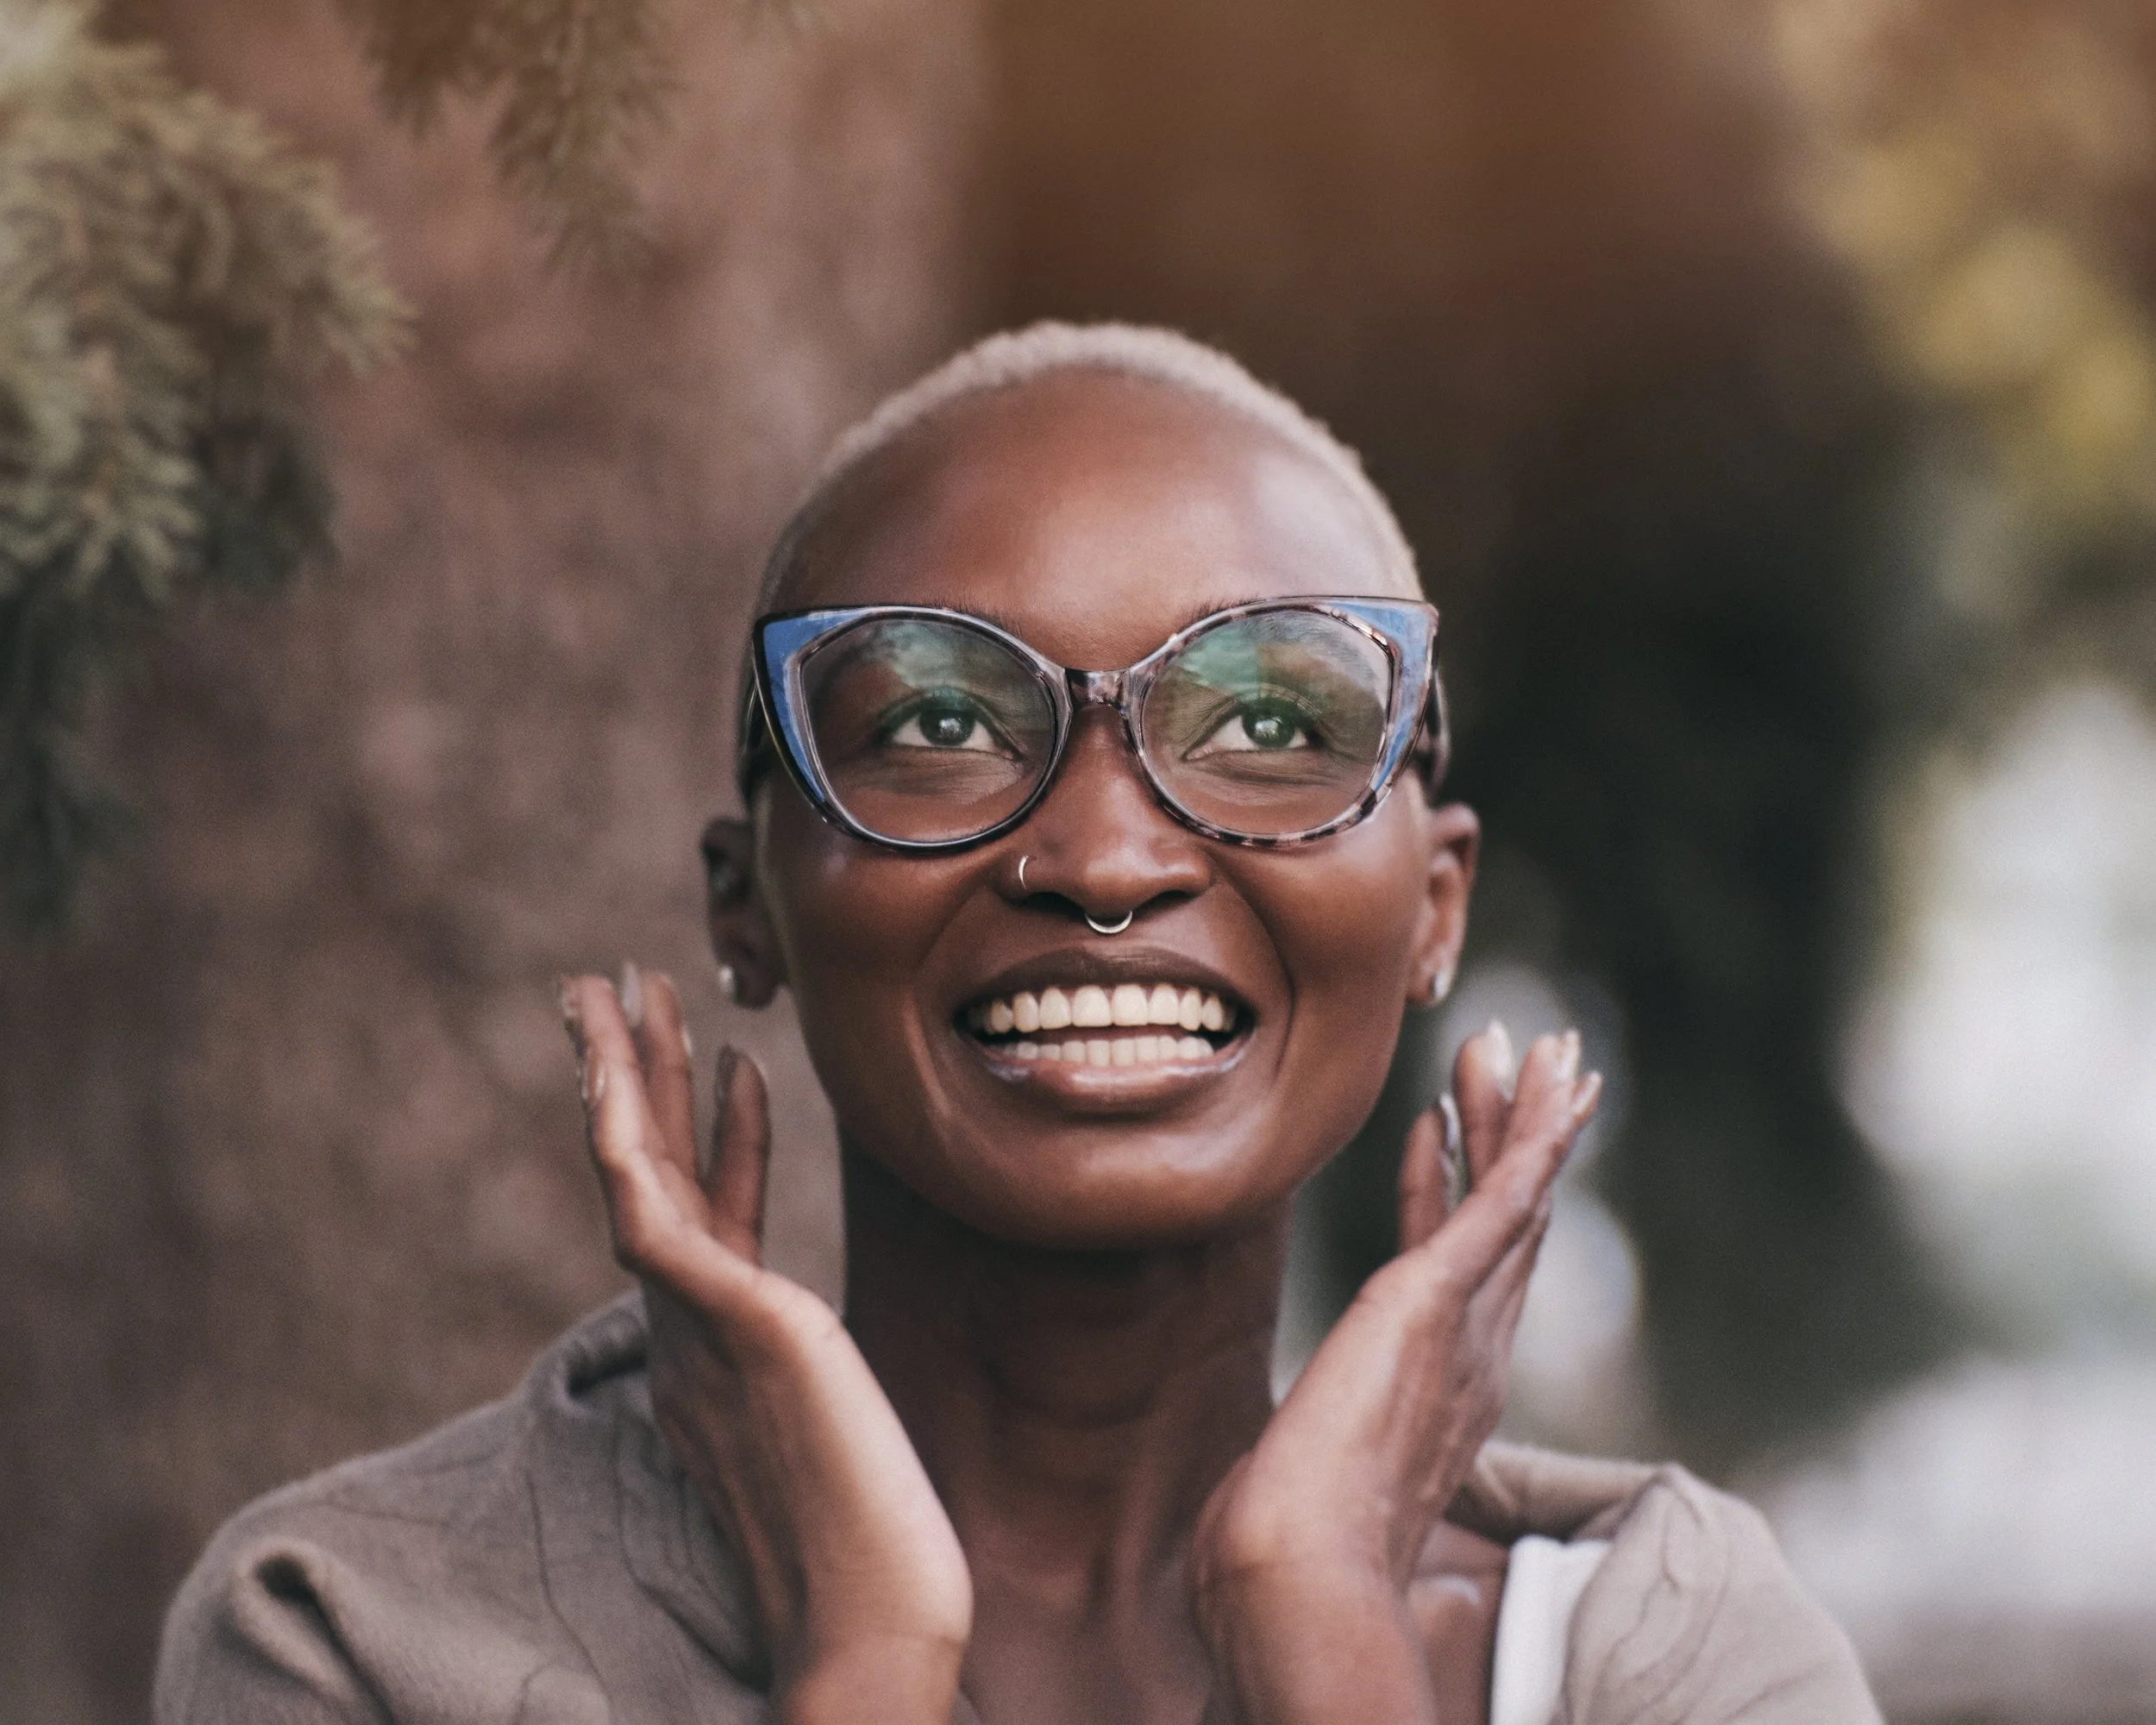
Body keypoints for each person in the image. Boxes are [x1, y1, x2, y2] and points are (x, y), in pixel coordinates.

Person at [157, 323, 1880, 1724]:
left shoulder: (1658, 1663)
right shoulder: (364, 1637)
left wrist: (1317, 1623)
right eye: (933, 722)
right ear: (744, 902)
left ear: (1431, 907)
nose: (1106, 857)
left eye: (1269, 717)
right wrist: (868, 1667)